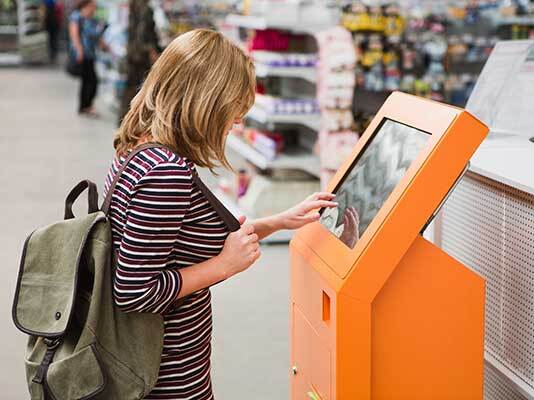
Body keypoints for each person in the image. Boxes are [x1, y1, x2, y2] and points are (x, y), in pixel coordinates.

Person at [104, 29, 339, 399]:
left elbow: (176, 240)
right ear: (205, 101)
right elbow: (133, 292)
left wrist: (277, 221)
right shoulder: (166, 173)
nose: (237, 123)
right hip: (162, 377)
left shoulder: (139, 149)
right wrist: (225, 266)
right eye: (233, 110)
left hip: (159, 367)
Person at [118, 0, 161, 123]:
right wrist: (152, 51)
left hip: (132, 53)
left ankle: (124, 118)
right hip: (141, 56)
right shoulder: (145, 9)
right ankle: (135, 119)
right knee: (143, 88)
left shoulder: (134, 5)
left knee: (130, 86)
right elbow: (142, 34)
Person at [68, 0, 105, 116]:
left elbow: (96, 37)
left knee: (88, 81)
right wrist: (79, 51)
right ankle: (86, 106)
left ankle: (85, 106)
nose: (94, 9)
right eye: (93, 6)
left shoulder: (92, 20)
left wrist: (105, 46)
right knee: (91, 81)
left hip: (90, 54)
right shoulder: (77, 17)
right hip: (83, 54)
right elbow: (74, 35)